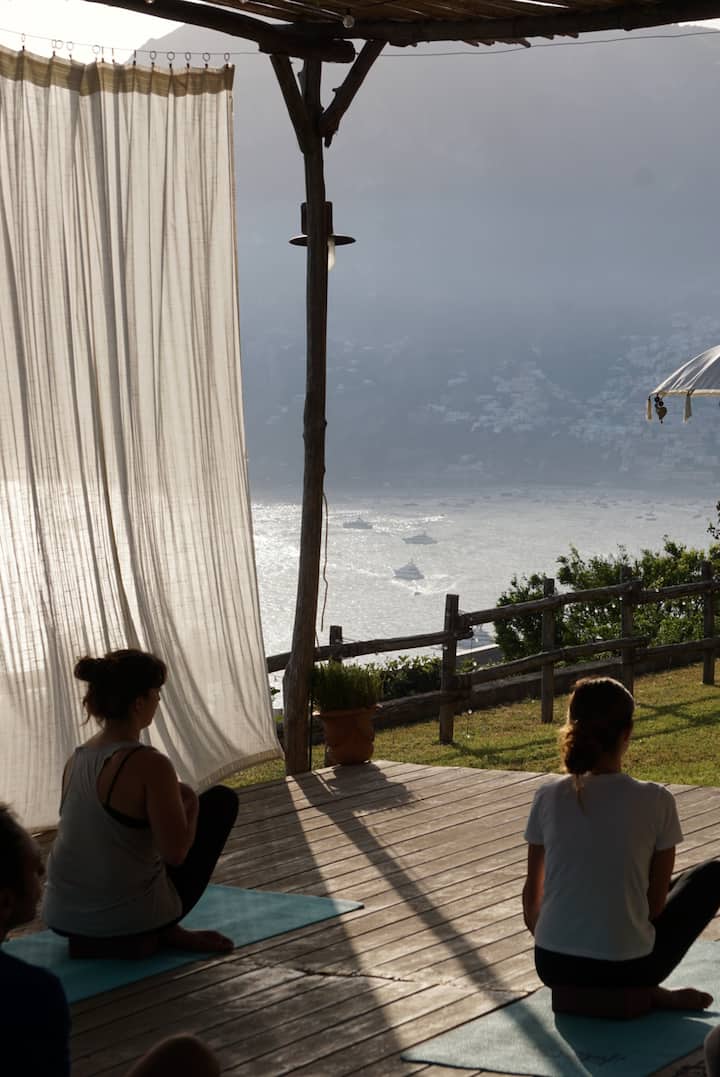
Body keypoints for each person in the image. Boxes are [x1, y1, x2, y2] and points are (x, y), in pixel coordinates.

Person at [522, 676, 720, 1011]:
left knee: (623, 891)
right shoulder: (656, 800)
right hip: (629, 968)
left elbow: (532, 900)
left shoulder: (547, 796)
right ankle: (646, 991)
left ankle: (649, 993)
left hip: (552, 964)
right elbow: (654, 908)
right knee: (712, 876)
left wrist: (564, 940)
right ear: (626, 733)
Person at [43, 649, 239, 958]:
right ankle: (160, 927)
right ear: (138, 702)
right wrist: (191, 806)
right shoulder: (150, 763)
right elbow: (175, 854)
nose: (159, 700)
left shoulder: (76, 759)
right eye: (156, 693)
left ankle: (126, 932)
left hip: (62, 915)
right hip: (125, 916)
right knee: (221, 802)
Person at [0, 803, 221, 1076]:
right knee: (189, 1056)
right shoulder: (32, 994)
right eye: (35, 870)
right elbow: (175, 853)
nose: (44, 872)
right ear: (5, 902)